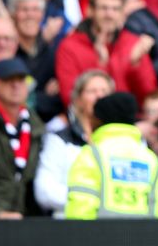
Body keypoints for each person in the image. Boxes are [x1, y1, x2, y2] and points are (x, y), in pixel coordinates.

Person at [65, 92, 158, 219]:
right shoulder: (156, 163)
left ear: (98, 120)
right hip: (147, 238)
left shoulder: (91, 156)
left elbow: (79, 212)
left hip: (98, 238)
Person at [55, 0, 158, 108]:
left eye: (115, 9)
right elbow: (70, 99)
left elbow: (148, 97)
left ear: (122, 13)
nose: (109, 14)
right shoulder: (70, 46)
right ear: (90, 10)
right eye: (104, 8)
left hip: (128, 120)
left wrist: (136, 65)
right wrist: (100, 65)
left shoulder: (133, 43)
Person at [0, 58, 45, 218]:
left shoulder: (36, 126)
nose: (15, 85)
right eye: (8, 80)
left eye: (20, 80)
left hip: (24, 221)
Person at [34, 70, 114, 218]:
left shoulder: (125, 141)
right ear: (77, 99)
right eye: (92, 91)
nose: (100, 96)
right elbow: (44, 190)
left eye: (105, 91)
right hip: (70, 227)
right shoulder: (60, 140)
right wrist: (94, 200)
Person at [10, 0, 61, 124]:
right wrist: (42, 96)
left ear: (42, 15)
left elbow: (59, 100)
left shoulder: (51, 51)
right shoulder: (6, 50)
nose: (30, 15)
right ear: (13, 14)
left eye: (35, 10)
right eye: (24, 10)